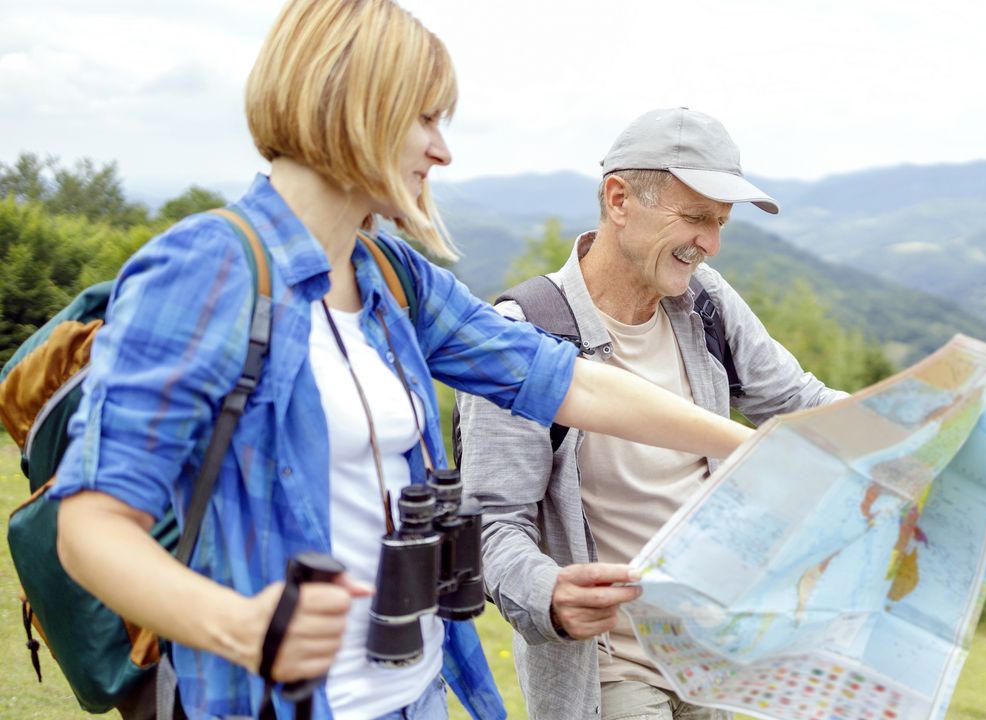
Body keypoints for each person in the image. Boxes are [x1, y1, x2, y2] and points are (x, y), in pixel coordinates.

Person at [51, 6, 750, 718]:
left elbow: (568, 382)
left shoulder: (391, 276)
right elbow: (89, 526)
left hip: (413, 697)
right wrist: (242, 627)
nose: (441, 151)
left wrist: (755, 445)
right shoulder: (205, 271)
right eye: (425, 119)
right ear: (350, 104)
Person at [456, 107, 849, 720]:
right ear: (618, 199)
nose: (710, 244)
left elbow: (801, 403)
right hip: (607, 669)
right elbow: (490, 526)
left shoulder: (708, 305)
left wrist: (917, 421)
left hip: (708, 656)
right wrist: (548, 592)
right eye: (695, 218)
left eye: (721, 224)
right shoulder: (523, 336)